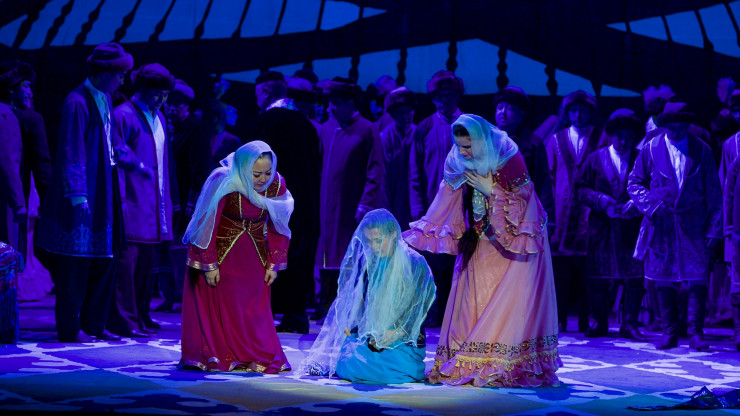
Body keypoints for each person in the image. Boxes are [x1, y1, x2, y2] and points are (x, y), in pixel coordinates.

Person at [404, 114, 560, 387]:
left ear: (481, 141)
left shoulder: (507, 155)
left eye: (468, 146)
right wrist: (430, 230)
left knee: (505, 301)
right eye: (459, 146)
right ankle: (470, 358)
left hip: (515, 239)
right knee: (471, 299)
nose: (463, 152)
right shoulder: (456, 160)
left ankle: (500, 362)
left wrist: (492, 190)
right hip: (478, 236)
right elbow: (446, 197)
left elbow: (525, 201)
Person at [36, 42, 133, 343]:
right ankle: (69, 327)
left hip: (105, 184)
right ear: (104, 74)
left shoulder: (105, 98)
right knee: (75, 262)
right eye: (119, 75)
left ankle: (95, 323)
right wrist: (78, 194)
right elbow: (71, 149)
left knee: (106, 256)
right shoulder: (77, 102)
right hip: (86, 189)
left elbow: (111, 141)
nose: (122, 82)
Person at [180, 141, 293, 372]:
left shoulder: (276, 185)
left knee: (253, 307)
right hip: (223, 255)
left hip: (254, 256)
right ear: (243, 168)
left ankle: (253, 354)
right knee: (222, 306)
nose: (263, 179)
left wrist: (273, 263)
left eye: (267, 173)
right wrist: (209, 264)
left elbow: (279, 226)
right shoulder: (225, 181)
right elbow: (207, 223)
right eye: (256, 174)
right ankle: (221, 354)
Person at [299, 209, 435, 384]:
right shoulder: (368, 260)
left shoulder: (415, 263)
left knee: (382, 368)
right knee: (348, 361)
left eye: (378, 240)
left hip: (404, 342)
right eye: (369, 241)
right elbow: (361, 302)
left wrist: (397, 332)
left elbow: (425, 308)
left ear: (393, 234)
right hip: (374, 338)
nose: (374, 247)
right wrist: (351, 323)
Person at [628, 104, 722, 351]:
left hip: (694, 223)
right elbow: (634, 182)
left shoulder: (702, 150)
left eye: (681, 127)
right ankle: (669, 331)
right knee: (663, 277)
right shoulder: (651, 148)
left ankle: (695, 333)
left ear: (688, 126)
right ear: (665, 126)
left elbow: (714, 191)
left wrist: (714, 228)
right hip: (662, 224)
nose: (677, 132)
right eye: (672, 127)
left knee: (697, 277)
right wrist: (651, 205)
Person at [107, 63, 179, 338]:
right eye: (157, 93)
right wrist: (122, 200)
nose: (162, 99)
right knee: (127, 266)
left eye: (165, 94)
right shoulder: (124, 114)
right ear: (142, 89)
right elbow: (117, 156)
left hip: (154, 202)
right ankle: (124, 320)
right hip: (132, 201)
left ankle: (140, 315)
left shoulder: (158, 117)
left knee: (147, 266)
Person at [253, 70, 320, 334]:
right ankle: (296, 313)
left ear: (265, 92)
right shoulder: (306, 124)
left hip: (273, 202)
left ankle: (264, 312)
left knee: (269, 251)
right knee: (298, 254)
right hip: (303, 205)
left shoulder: (268, 121)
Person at [314, 77, 385, 323]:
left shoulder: (367, 129)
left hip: (351, 206)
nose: (331, 107)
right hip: (326, 206)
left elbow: (375, 169)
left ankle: (353, 312)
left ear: (351, 103)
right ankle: (327, 309)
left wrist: (366, 203)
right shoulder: (327, 128)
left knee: (351, 254)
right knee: (326, 254)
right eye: (331, 102)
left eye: (337, 102)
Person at [576, 110, 646, 340]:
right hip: (602, 228)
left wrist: (637, 204)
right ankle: (600, 322)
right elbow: (580, 189)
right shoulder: (595, 159)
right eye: (619, 137)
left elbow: (652, 187)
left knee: (634, 278)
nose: (623, 142)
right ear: (611, 135)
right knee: (598, 277)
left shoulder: (641, 159)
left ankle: (629, 324)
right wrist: (601, 200)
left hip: (631, 229)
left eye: (628, 137)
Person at [408, 70, 464, 328]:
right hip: (433, 206)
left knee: (458, 260)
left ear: (457, 96)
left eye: (449, 95)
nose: (444, 101)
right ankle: (435, 311)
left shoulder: (470, 125)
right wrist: (418, 207)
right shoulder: (424, 128)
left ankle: (457, 313)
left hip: (462, 206)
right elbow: (415, 172)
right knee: (432, 260)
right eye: (439, 96)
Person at [545, 90, 602, 333]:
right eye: (573, 111)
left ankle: (585, 318)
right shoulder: (556, 139)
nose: (578, 115)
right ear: (567, 113)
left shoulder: (601, 137)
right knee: (562, 269)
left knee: (588, 269)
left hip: (590, 212)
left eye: (583, 110)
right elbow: (549, 175)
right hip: (562, 211)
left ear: (591, 112)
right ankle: (559, 317)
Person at [493, 86, 554, 225]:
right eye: (500, 107)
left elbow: (543, 181)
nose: (503, 112)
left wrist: (547, 219)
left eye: (510, 109)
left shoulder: (532, 143)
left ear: (521, 114)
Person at [379, 86, 416, 230]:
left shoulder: (418, 133)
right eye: (401, 113)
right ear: (393, 114)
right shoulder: (386, 137)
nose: (406, 116)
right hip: (393, 196)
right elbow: (382, 175)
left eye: (409, 111)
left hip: (414, 197)